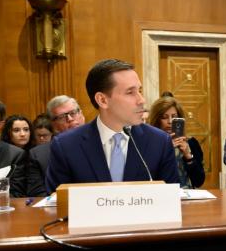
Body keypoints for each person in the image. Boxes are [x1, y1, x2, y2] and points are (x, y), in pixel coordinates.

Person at [45, 59, 179, 193]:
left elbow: (170, 201)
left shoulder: (159, 141)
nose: (141, 100)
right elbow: (57, 204)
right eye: (130, 92)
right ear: (102, 100)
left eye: (140, 91)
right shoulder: (66, 146)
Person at [27, 96, 86, 196]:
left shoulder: (102, 142)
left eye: (73, 113)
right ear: (53, 124)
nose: (70, 119)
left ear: (81, 114)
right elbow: (37, 194)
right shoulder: (38, 155)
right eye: (62, 117)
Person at [148, 96, 205, 189]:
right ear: (157, 120)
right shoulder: (150, 144)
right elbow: (148, 178)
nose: (170, 121)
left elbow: (199, 181)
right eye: (164, 117)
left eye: (174, 117)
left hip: (188, 197)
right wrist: (166, 149)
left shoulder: (191, 143)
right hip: (161, 197)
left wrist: (188, 156)